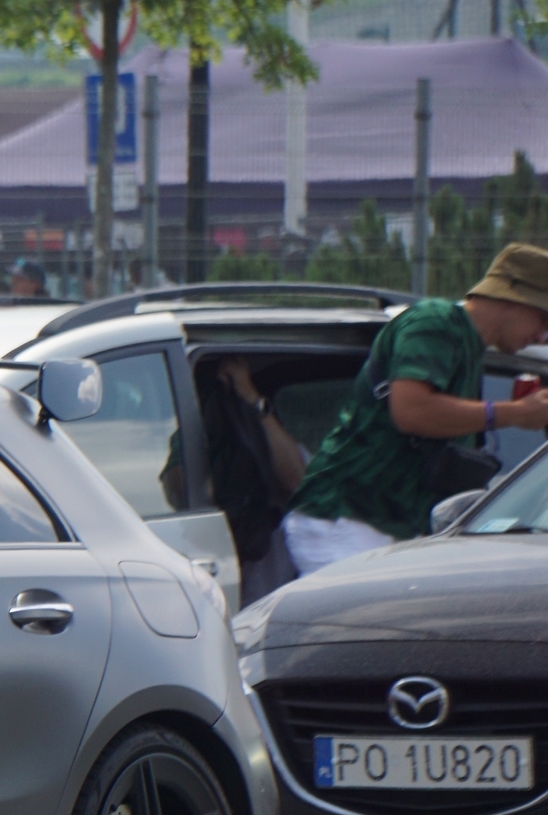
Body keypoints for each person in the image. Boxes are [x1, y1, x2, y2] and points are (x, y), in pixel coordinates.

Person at [281, 243, 548, 573]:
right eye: (543, 317)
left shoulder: (468, 346)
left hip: (391, 527)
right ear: (513, 299)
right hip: (345, 518)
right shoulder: (433, 322)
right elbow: (411, 411)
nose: (543, 336)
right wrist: (516, 413)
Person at [161, 356, 311, 599]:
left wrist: (253, 402)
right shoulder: (194, 447)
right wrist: (197, 435)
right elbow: (176, 492)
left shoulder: (282, 444)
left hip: (276, 602)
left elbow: (297, 481)